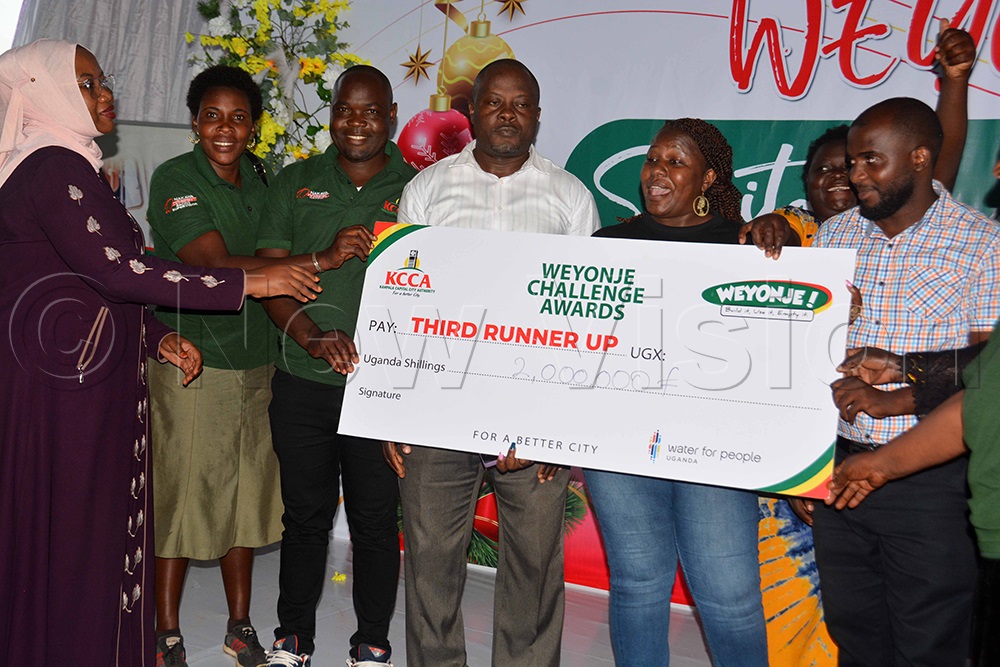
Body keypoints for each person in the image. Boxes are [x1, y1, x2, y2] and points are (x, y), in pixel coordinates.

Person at [0, 40, 319, 667]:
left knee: (83, 535)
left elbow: (88, 279)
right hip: (62, 393)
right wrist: (251, 281)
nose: (105, 93)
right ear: (45, 92)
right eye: (87, 83)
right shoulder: (52, 167)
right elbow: (117, 270)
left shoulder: (70, 165)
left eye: (102, 79)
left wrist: (154, 335)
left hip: (85, 377)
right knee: (72, 535)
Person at [381, 58, 600, 667]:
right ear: (471, 112)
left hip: (534, 415)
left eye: (521, 103)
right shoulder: (427, 190)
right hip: (437, 404)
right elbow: (403, 301)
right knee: (430, 563)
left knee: (533, 568)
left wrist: (560, 429)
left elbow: (586, 322)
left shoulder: (569, 196)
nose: (507, 114)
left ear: (536, 115)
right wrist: (395, 411)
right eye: (494, 102)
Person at [146, 65, 360, 667]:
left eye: (239, 117)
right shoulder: (176, 179)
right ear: (194, 122)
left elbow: (269, 260)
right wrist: (318, 255)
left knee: (245, 499)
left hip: (258, 365)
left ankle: (241, 625)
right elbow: (210, 263)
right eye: (212, 116)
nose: (225, 129)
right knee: (184, 498)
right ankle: (166, 633)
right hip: (195, 362)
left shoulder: (262, 180)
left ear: (253, 127)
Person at [808, 96, 1000, 666]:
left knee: (930, 642)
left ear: (919, 158)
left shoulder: (982, 243)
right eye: (851, 162)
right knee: (855, 633)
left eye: (872, 161)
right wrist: (801, 468)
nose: (854, 175)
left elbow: (986, 369)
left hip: (932, 479)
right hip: (839, 466)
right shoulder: (835, 236)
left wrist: (897, 389)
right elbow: (799, 353)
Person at [582, 118, 776, 667]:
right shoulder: (607, 244)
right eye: (652, 159)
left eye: (675, 161)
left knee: (729, 594)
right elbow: (579, 346)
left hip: (714, 443)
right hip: (619, 442)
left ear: (708, 176)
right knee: (638, 585)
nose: (657, 172)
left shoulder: (745, 244)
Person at [254, 64, 415, 667]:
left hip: (380, 392)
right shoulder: (296, 181)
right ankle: (292, 637)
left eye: (371, 111)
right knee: (305, 520)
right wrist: (314, 334)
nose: (357, 122)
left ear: (392, 116)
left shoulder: (417, 188)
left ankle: (371, 641)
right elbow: (269, 278)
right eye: (346, 108)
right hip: (302, 380)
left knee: (375, 524)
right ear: (332, 114)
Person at [824, 340, 1000, 667]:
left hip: (940, 482)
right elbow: (985, 380)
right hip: (845, 463)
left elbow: (981, 394)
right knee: (855, 634)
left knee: (929, 642)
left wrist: (896, 398)